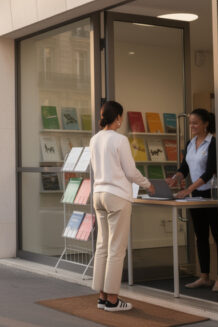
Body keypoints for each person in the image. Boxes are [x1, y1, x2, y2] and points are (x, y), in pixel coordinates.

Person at [90, 101, 155, 312]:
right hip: (117, 196)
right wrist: (148, 184)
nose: (121, 121)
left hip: (98, 194)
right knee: (117, 249)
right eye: (121, 117)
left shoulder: (94, 139)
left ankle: (101, 295)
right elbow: (130, 171)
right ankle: (112, 300)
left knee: (102, 246)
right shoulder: (120, 140)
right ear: (117, 117)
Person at [166, 108, 218, 291]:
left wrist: (188, 189)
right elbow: (184, 168)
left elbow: (210, 171)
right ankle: (204, 277)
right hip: (196, 196)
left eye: (195, 123)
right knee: (201, 237)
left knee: (217, 237)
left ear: (205, 124)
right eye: (190, 123)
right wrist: (175, 179)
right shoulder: (190, 143)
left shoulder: (213, 143)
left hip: (211, 195)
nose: (192, 126)